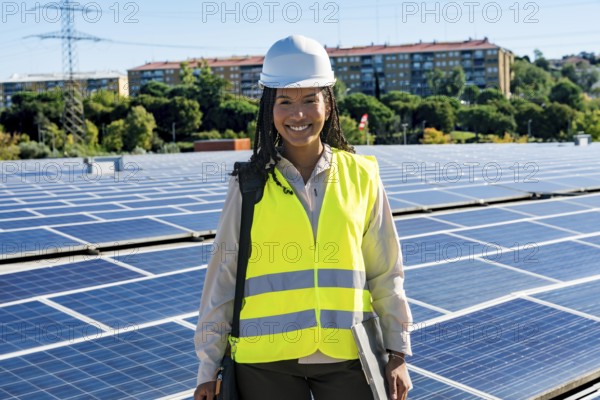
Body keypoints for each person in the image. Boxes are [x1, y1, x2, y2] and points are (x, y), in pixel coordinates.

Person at [194, 34, 412, 400]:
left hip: (349, 357)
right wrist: (207, 367)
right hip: (263, 363)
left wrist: (397, 352)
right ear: (269, 108)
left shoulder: (362, 176)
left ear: (328, 105)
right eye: (285, 101)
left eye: (310, 100)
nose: (298, 114)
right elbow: (222, 279)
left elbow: (386, 272)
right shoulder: (248, 183)